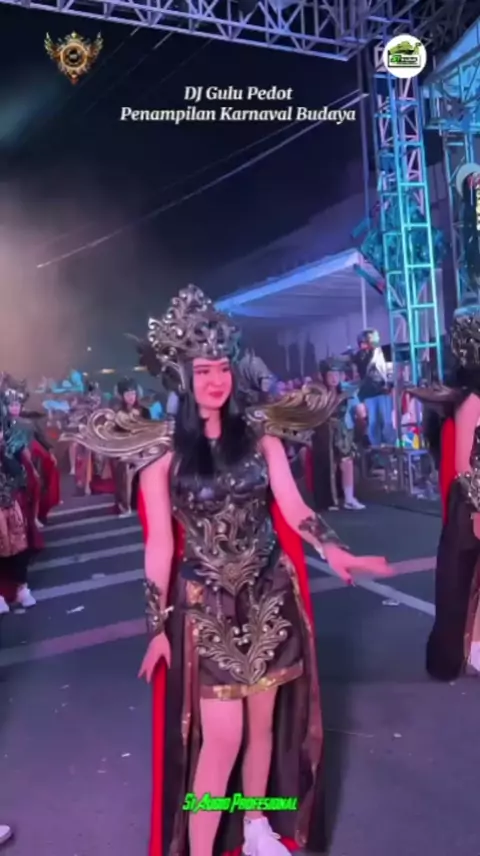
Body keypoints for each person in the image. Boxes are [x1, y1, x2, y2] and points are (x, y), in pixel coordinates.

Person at [67, 285, 392, 856]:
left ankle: (256, 824)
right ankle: (201, 845)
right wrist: (155, 628)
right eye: (203, 371)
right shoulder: (162, 455)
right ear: (183, 377)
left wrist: (334, 549)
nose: (216, 380)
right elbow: (159, 547)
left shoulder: (261, 437)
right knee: (223, 739)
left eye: (222, 368)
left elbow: (293, 506)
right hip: (207, 609)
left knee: (262, 727)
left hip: (268, 596)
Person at [412, 305, 480, 680]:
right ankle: (469, 652)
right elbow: (462, 465)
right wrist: (478, 509)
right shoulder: (472, 400)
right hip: (471, 501)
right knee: (464, 578)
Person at [306, 358, 365, 511]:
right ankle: (329, 501)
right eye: (330, 375)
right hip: (324, 433)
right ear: (324, 376)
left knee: (347, 463)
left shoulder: (348, 391)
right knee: (328, 465)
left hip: (344, 431)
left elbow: (360, 411)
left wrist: (360, 421)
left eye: (337, 374)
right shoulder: (317, 393)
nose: (334, 378)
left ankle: (349, 498)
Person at [112, 378, 151, 516]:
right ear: (122, 396)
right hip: (125, 449)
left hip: (143, 448)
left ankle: (146, 502)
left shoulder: (144, 411)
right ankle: (125, 505)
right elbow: (115, 434)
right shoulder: (118, 413)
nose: (131, 397)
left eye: (133, 393)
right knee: (124, 467)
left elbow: (149, 432)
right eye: (127, 394)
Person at [353, 329, 395, 446]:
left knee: (387, 422)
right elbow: (359, 371)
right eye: (362, 342)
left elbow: (391, 371)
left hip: (383, 392)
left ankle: (390, 445)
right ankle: (376, 447)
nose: (364, 345)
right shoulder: (360, 356)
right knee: (373, 422)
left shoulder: (384, 352)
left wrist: (390, 385)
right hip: (368, 393)